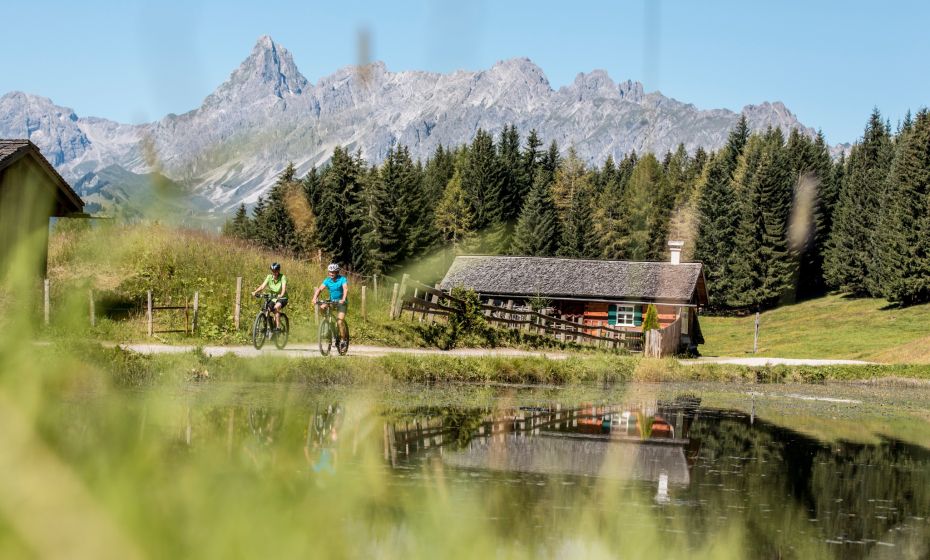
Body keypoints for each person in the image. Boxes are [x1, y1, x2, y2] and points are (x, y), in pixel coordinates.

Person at [312, 263, 348, 345]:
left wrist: (343, 299)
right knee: (322, 307)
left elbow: (345, 289)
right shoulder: (327, 280)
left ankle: (343, 340)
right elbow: (320, 289)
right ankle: (327, 323)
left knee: (340, 322)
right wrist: (314, 298)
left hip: (341, 303)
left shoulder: (342, 279)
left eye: (333, 272)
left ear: (337, 272)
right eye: (330, 272)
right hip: (332, 302)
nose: (331, 274)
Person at [252, 262, 288, 330]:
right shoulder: (269, 277)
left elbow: (283, 288)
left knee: (276, 308)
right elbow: (262, 286)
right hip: (273, 297)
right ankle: (268, 327)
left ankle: (278, 327)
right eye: (272, 271)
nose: (274, 273)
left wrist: (281, 295)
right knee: (266, 310)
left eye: (275, 271)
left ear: (278, 270)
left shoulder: (282, 277)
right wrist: (255, 292)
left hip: (282, 298)